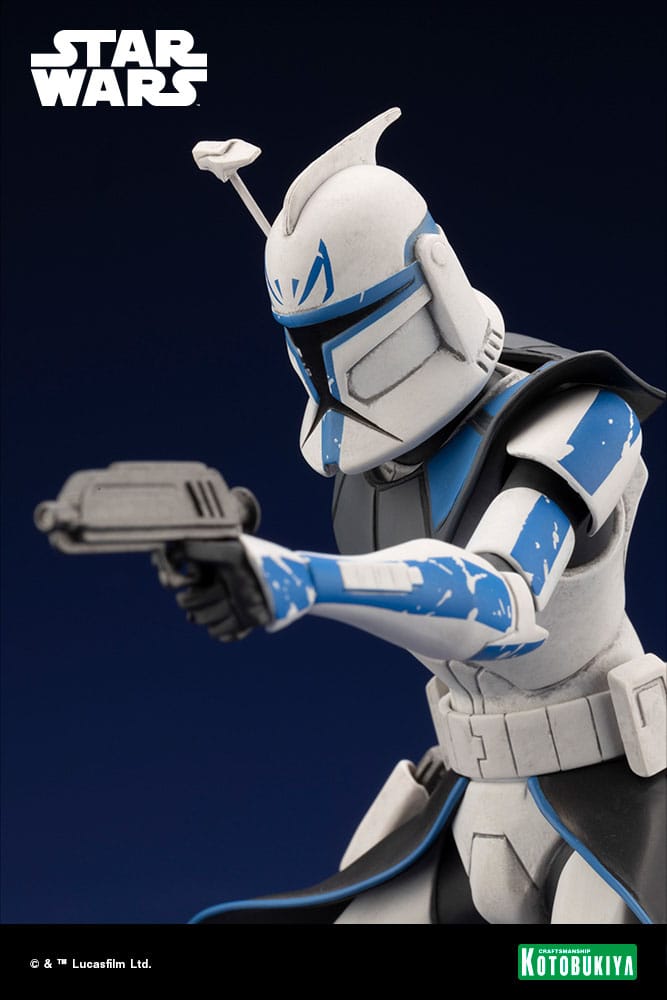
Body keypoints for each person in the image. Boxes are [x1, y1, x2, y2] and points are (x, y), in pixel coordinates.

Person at [183, 109, 666, 924]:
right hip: (468, 792)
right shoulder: (368, 466)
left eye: (345, 331)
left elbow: (500, 602)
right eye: (308, 339)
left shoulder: (581, 416)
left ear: (431, 281)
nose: (326, 366)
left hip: (607, 798)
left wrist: (298, 579)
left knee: (583, 969)